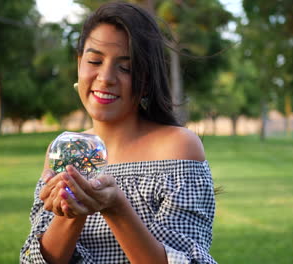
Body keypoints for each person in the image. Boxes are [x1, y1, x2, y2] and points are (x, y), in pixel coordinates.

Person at [20, 2, 216, 263]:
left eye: (126, 67)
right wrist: (73, 211)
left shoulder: (178, 146)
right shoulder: (65, 150)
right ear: (79, 63)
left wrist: (116, 207)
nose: (106, 77)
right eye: (94, 61)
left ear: (146, 79)